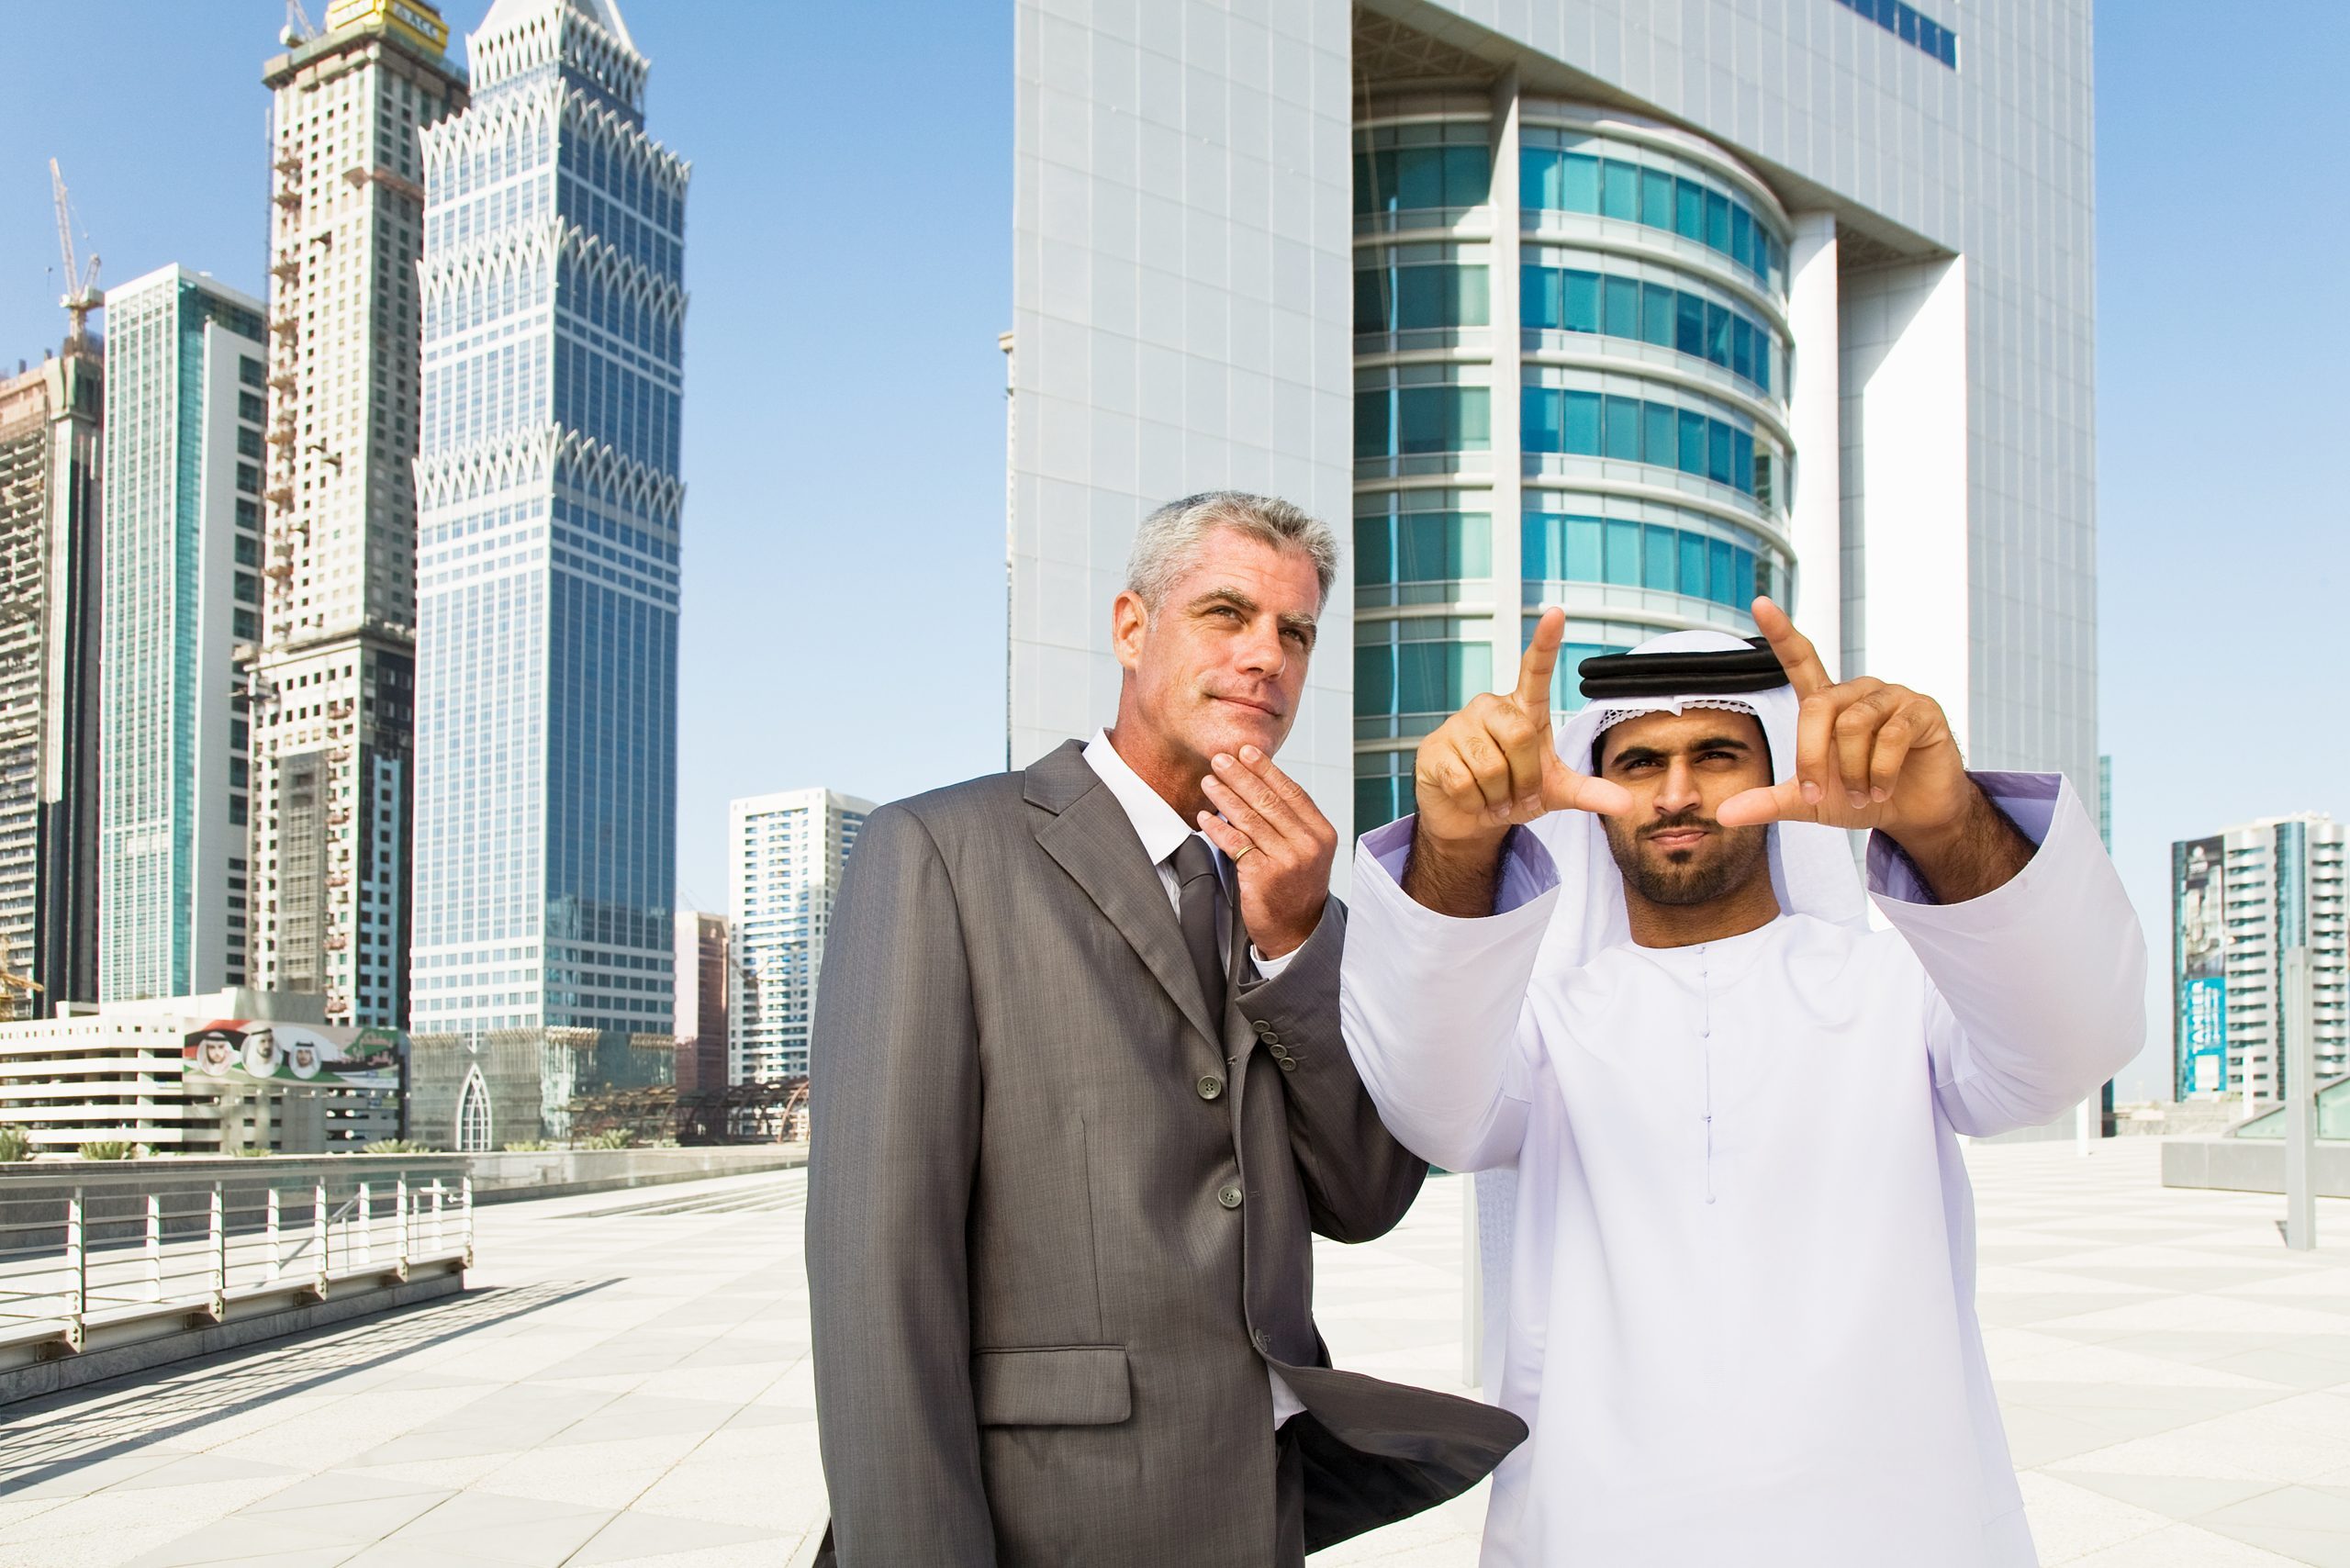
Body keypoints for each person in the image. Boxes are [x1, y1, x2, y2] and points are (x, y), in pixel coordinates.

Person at [1339, 602, 2144, 1567]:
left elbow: (2073, 1039)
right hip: (1602, 1525)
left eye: (1717, 753)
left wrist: (1944, 818)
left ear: (1778, 776)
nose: (1676, 790)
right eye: (1638, 763)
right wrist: (1461, 845)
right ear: (1593, 787)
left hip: (1887, 1522)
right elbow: (1433, 1105)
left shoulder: (1897, 991)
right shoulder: (1542, 1026)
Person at [807, 492, 1524, 1566]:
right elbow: (877, 1277)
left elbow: (1365, 1195)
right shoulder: (941, 853)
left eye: (1294, 632)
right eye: (1226, 614)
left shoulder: (1294, 901)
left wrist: (1291, 947)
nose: (1265, 657)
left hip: (1253, 1512)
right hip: (1049, 1516)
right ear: (1132, 628)